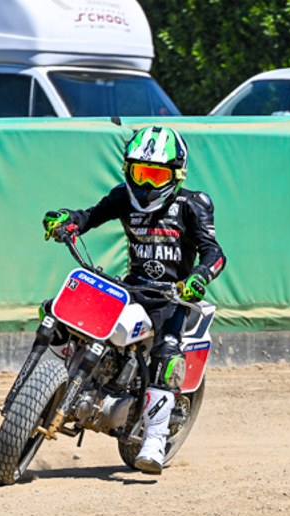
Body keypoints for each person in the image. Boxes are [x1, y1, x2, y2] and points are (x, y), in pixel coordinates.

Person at [43, 125, 226, 474]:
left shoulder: (193, 204)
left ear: (176, 175)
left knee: (166, 353)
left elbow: (214, 253)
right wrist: (68, 221)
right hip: (132, 286)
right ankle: (49, 384)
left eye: (156, 175)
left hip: (173, 297)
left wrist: (198, 277)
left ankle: (155, 439)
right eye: (140, 173)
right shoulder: (121, 197)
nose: (146, 185)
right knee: (61, 310)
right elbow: (88, 217)